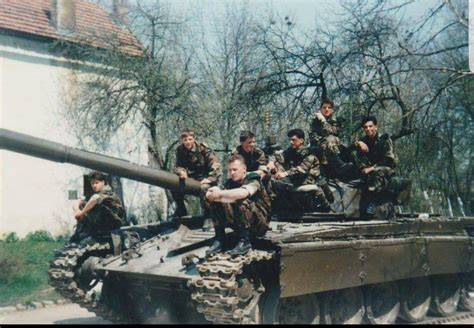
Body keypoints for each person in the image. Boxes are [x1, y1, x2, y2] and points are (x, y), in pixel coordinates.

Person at [206, 154, 271, 256]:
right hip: (240, 222)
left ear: (244, 169)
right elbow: (210, 193)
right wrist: (215, 194)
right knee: (215, 202)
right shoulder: (230, 182)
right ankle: (219, 239)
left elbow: (242, 193)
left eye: (235, 170)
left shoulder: (253, 179)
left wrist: (220, 194)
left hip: (259, 224)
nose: (232, 173)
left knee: (241, 200)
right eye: (230, 170)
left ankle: (245, 242)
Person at [270, 128, 331, 212]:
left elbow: (302, 170)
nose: (291, 142)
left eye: (293, 140)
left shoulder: (309, 153)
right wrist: (271, 162)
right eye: (290, 140)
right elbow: (278, 156)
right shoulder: (291, 151)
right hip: (294, 179)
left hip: (307, 179)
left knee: (280, 183)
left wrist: (285, 174)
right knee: (273, 178)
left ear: (301, 140)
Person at [354, 116, 397, 217]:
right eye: (365, 127)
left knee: (377, 173)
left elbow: (389, 160)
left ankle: (375, 201)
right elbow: (352, 152)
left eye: (370, 126)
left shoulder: (385, 139)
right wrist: (358, 143)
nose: (368, 129)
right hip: (370, 170)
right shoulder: (364, 140)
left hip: (386, 169)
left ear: (376, 127)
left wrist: (372, 168)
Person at [172, 129, 222, 217]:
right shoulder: (180, 150)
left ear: (194, 139)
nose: (188, 142)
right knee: (173, 185)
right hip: (191, 177)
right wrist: (182, 172)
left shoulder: (203, 148)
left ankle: (208, 215)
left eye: (190, 139)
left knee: (205, 189)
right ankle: (181, 210)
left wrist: (209, 179)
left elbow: (215, 164)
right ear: (182, 141)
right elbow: (177, 166)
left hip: (206, 177)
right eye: (185, 140)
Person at [309, 99, 357, 181]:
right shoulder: (315, 120)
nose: (326, 109)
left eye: (329, 107)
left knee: (334, 140)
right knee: (329, 140)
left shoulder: (335, 121)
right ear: (320, 109)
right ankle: (338, 166)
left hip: (333, 145)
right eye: (324, 107)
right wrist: (322, 140)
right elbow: (312, 135)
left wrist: (323, 121)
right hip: (318, 145)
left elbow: (334, 132)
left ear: (332, 110)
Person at [70, 171, 124, 243]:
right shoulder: (96, 194)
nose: (94, 185)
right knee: (83, 204)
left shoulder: (107, 191)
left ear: (103, 182)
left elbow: (95, 199)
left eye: (96, 182)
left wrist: (82, 212)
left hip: (112, 222)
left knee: (92, 206)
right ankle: (82, 233)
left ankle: (89, 232)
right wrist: (77, 211)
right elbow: (77, 201)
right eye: (92, 183)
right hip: (100, 223)